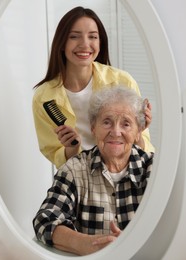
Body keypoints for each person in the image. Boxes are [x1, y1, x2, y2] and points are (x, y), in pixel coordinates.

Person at [32, 86, 154, 256]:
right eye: (106, 122)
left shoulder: (154, 169)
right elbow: (44, 221)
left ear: (138, 132)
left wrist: (131, 244)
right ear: (93, 128)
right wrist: (87, 244)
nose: (115, 132)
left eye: (126, 124)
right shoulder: (74, 170)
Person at [32, 6, 154, 169]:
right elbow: (54, 154)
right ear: (62, 43)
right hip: (79, 178)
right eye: (74, 36)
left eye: (93, 37)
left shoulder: (123, 81)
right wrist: (71, 148)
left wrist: (139, 130)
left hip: (124, 173)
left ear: (100, 42)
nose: (84, 44)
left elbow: (145, 147)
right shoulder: (44, 97)